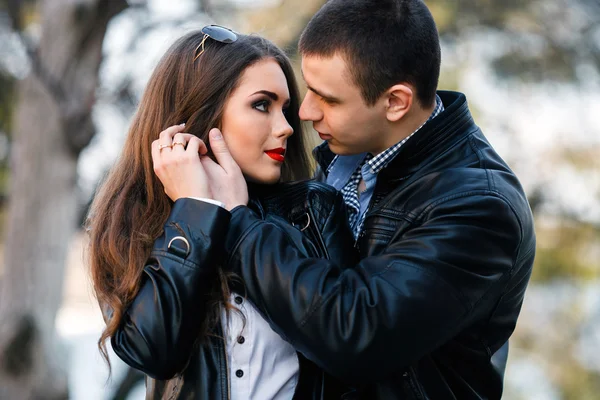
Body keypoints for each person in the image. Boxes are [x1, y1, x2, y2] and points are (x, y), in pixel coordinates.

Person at [200, 1, 537, 399]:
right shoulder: (343, 161)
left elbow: (354, 332)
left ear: (396, 101)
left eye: (329, 99)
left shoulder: (479, 206)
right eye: (308, 89)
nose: (305, 112)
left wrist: (236, 219)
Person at [86, 26, 356, 400]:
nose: (286, 128)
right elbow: (152, 353)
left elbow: (347, 346)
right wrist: (195, 210)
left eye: (286, 109)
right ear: (203, 112)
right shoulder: (130, 227)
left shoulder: (313, 211)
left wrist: (237, 217)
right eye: (262, 105)